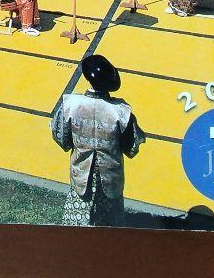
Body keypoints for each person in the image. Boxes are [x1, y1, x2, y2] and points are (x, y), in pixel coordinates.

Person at [51, 55, 146, 227]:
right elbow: (131, 147)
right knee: (110, 225)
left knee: (77, 222)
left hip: (81, 174)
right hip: (110, 177)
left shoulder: (70, 105)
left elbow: (61, 138)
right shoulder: (121, 111)